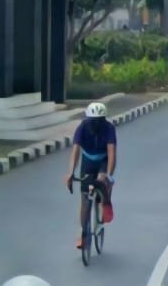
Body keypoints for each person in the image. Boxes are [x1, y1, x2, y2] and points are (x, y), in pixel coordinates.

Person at [63, 101, 116, 249]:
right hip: (88, 161)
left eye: (100, 120)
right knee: (85, 199)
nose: (96, 124)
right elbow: (75, 151)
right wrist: (70, 172)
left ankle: (103, 201)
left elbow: (111, 153)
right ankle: (82, 232)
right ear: (88, 119)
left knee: (101, 180)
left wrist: (109, 175)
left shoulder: (109, 128)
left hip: (103, 161)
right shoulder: (82, 128)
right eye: (94, 121)